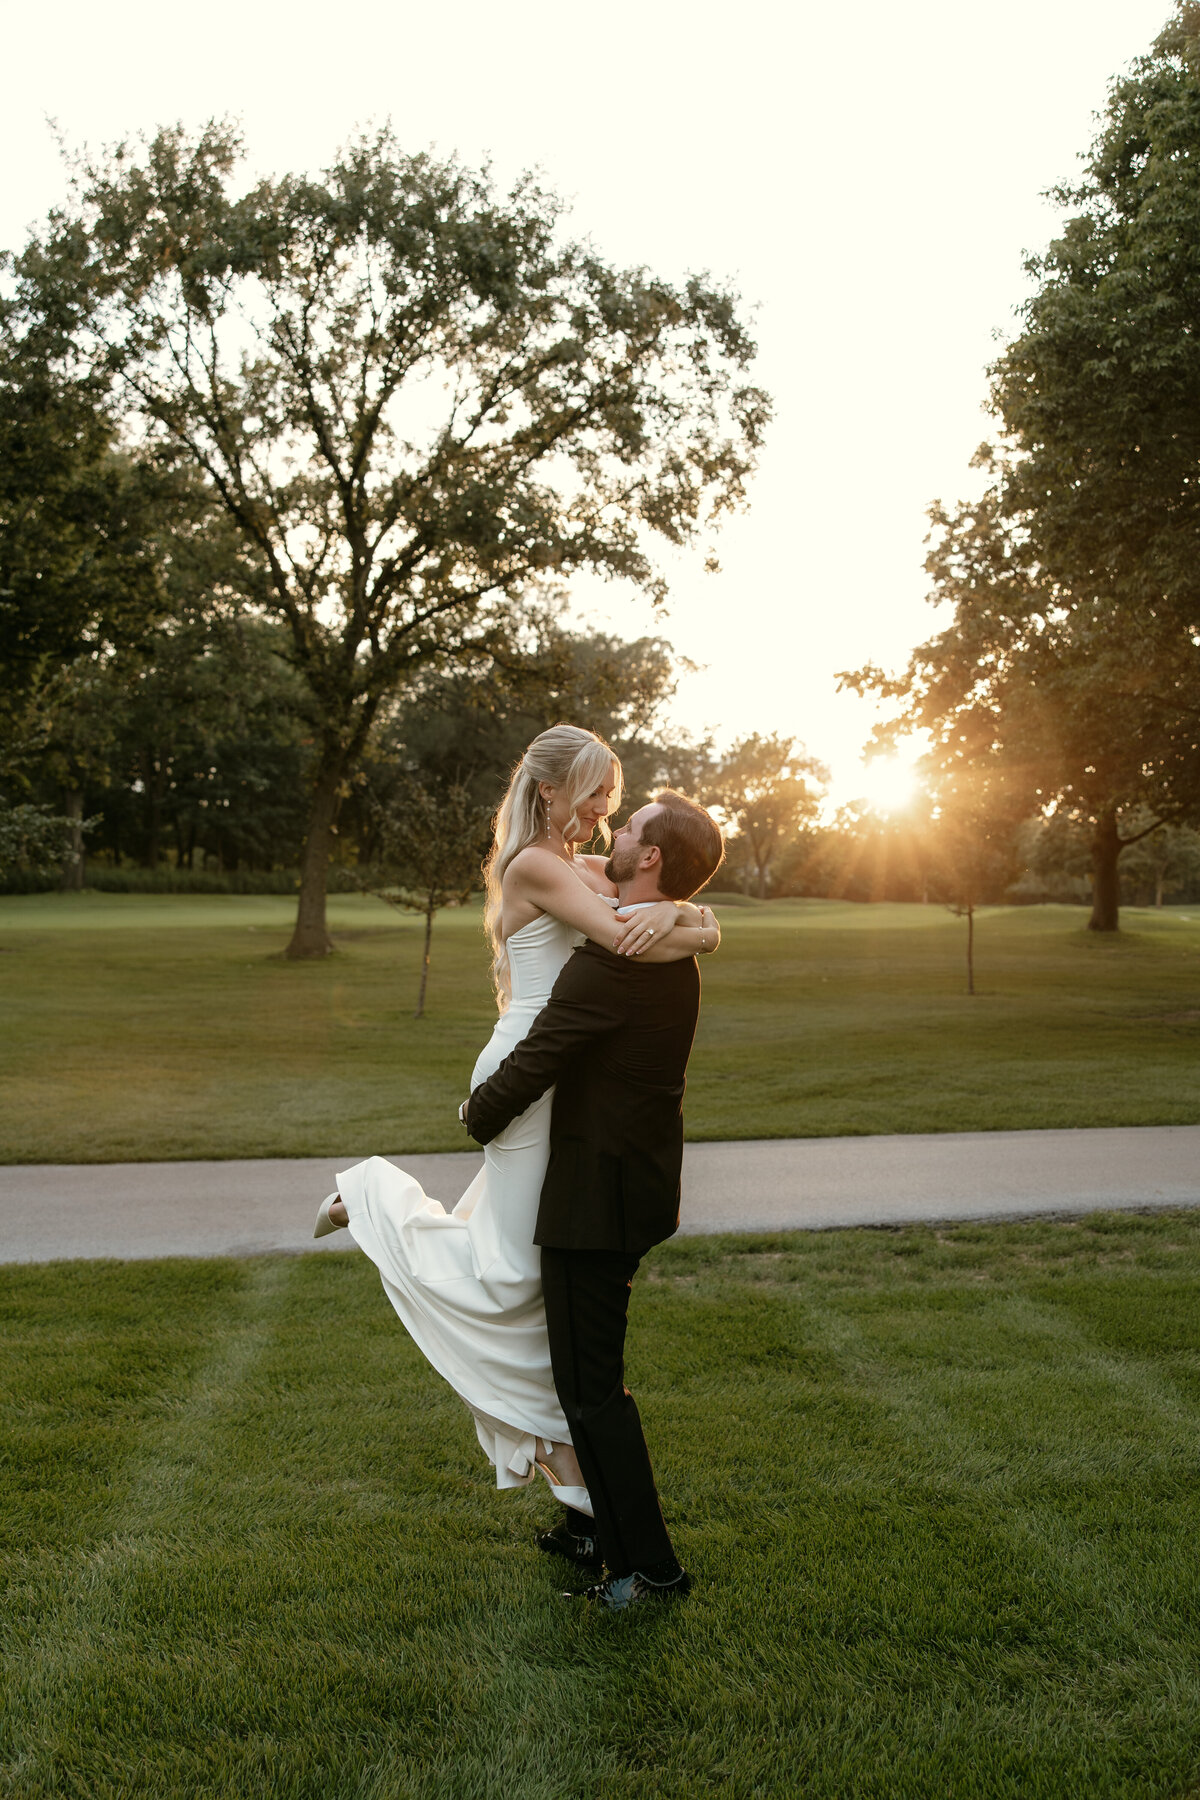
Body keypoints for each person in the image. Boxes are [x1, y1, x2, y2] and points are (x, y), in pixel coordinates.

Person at [313, 725, 718, 1524]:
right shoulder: (535, 863)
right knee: (515, 1273)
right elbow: (627, 943)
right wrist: (688, 927)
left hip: (557, 1068)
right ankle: (371, 1202)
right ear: (548, 791)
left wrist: (703, 924)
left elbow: (659, 907)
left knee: (528, 1269)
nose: (608, 807)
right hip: (527, 1068)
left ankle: (571, 1485)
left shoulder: (579, 865)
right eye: (597, 790)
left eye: (614, 793)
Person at [465, 787, 725, 1611]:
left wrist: (479, 1115)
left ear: (650, 858)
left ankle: (649, 1570)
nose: (616, 833)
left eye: (632, 827)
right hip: (622, 1185)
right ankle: (591, 1529)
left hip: (598, 1201)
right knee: (576, 1375)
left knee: (591, 1389)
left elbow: (541, 1054)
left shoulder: (620, 959)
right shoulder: (654, 942)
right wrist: (702, 920)